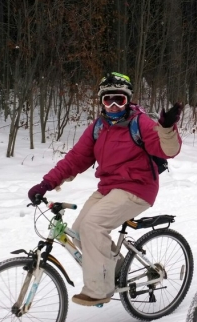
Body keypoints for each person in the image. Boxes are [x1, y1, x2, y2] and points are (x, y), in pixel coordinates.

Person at [27, 72, 182, 306]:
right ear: (100, 101)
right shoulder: (98, 127)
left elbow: (167, 150)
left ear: (128, 100)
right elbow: (75, 159)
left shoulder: (140, 123)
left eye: (119, 100)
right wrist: (46, 183)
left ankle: (99, 289)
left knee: (93, 225)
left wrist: (167, 128)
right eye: (107, 100)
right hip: (109, 188)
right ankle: (117, 272)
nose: (112, 106)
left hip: (138, 188)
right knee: (79, 230)